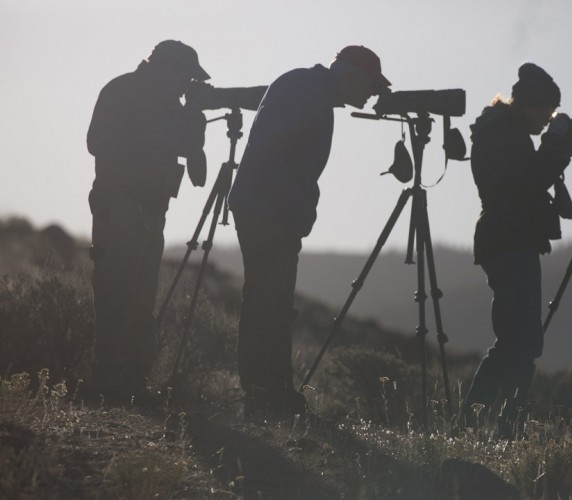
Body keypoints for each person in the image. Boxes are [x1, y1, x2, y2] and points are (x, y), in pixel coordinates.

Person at [228, 46, 391, 418]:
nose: (370, 96)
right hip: (269, 210)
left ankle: (270, 391)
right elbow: (275, 149)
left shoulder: (307, 86)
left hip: (268, 207)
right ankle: (265, 395)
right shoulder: (306, 89)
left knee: (270, 302)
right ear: (352, 77)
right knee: (268, 302)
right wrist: (292, 204)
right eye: (370, 86)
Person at [86, 40, 210, 403]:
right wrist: (167, 128)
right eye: (185, 77)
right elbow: (97, 142)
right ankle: (108, 378)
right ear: (165, 69)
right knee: (115, 291)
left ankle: (132, 380)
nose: (187, 84)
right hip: (120, 204)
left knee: (141, 298)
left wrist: (193, 114)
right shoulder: (123, 91)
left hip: (152, 209)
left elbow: (191, 154)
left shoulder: (170, 105)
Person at [460, 62, 572, 438]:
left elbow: (527, 180)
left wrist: (553, 144)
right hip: (510, 243)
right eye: (546, 112)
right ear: (529, 104)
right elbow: (530, 181)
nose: (547, 120)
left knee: (517, 342)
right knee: (522, 343)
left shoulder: (502, 130)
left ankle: (484, 426)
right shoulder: (505, 135)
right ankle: (497, 428)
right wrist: (556, 143)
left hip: (506, 242)